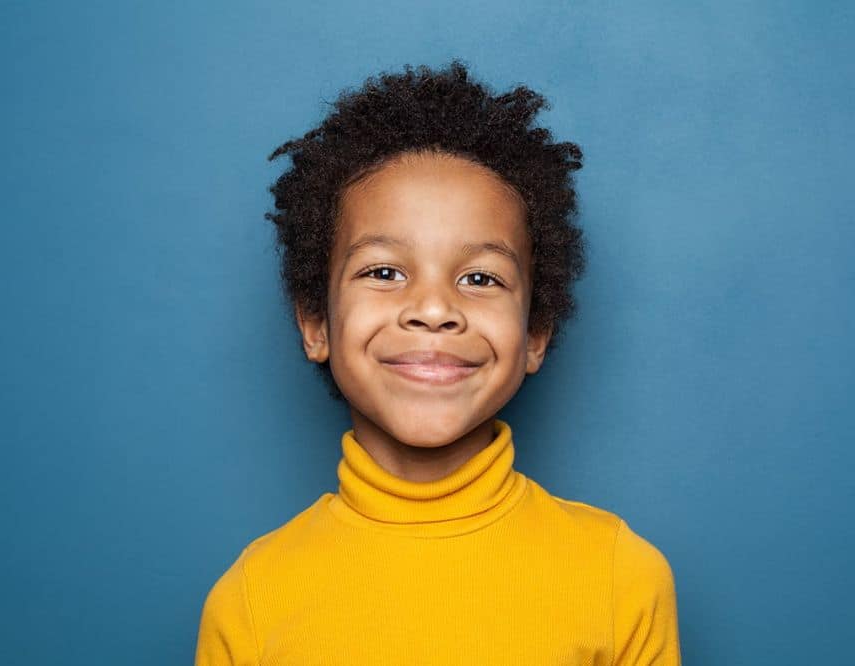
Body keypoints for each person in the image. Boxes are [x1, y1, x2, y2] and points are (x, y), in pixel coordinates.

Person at [194, 59, 682, 665]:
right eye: (383, 272)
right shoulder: (251, 599)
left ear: (535, 334)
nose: (433, 308)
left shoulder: (621, 577)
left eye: (480, 277)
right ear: (315, 323)